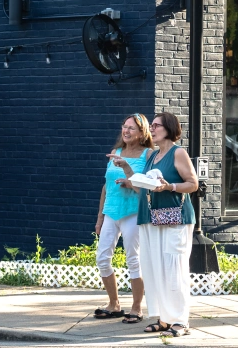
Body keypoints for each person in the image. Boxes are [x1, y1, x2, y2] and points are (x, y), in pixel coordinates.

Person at [108, 111, 198, 338]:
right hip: (152, 218)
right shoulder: (153, 157)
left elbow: (193, 184)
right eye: (153, 125)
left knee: (174, 269)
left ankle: (180, 320)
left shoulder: (178, 153)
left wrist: (170, 187)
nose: (153, 129)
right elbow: (142, 187)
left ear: (169, 129)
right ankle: (165, 319)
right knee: (156, 270)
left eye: (157, 125)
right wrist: (127, 169)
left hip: (175, 219)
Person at [94, 113, 153, 324]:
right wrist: (100, 217)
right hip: (111, 211)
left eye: (131, 128)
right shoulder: (115, 152)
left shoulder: (148, 155)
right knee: (102, 258)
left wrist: (127, 170)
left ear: (141, 133)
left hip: (133, 213)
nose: (126, 131)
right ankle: (114, 304)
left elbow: (144, 188)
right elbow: (105, 187)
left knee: (133, 260)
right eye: (124, 126)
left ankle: (137, 308)